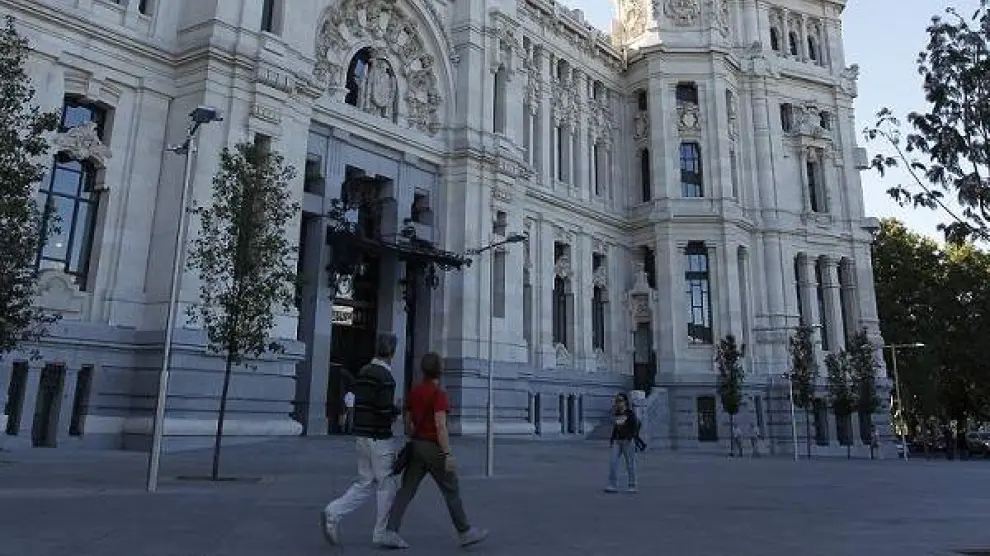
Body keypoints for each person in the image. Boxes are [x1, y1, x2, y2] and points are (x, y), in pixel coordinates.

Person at [378, 353, 489, 549]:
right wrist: (447, 454)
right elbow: (440, 426)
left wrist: (414, 435)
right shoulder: (439, 394)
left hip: (416, 446)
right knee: (451, 488)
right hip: (433, 448)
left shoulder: (415, 391)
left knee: (406, 490)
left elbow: (407, 423)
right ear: (440, 370)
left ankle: (390, 531)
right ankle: (464, 532)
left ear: (423, 370)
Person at [321, 333, 402, 548]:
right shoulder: (386, 377)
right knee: (387, 485)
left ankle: (333, 512)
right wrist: (396, 411)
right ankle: (381, 533)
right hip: (379, 437)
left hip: (362, 435)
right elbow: (383, 409)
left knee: (365, 482)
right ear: (392, 352)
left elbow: (365, 402)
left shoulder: (364, 371)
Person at [605, 392, 638, 494]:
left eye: (620, 401)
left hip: (627, 442)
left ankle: (632, 485)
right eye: (617, 401)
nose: (618, 403)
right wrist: (612, 439)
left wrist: (630, 437)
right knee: (613, 462)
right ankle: (612, 485)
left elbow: (635, 427)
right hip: (617, 441)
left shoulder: (630, 414)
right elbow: (616, 428)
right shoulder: (618, 414)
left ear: (625, 402)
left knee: (630, 464)